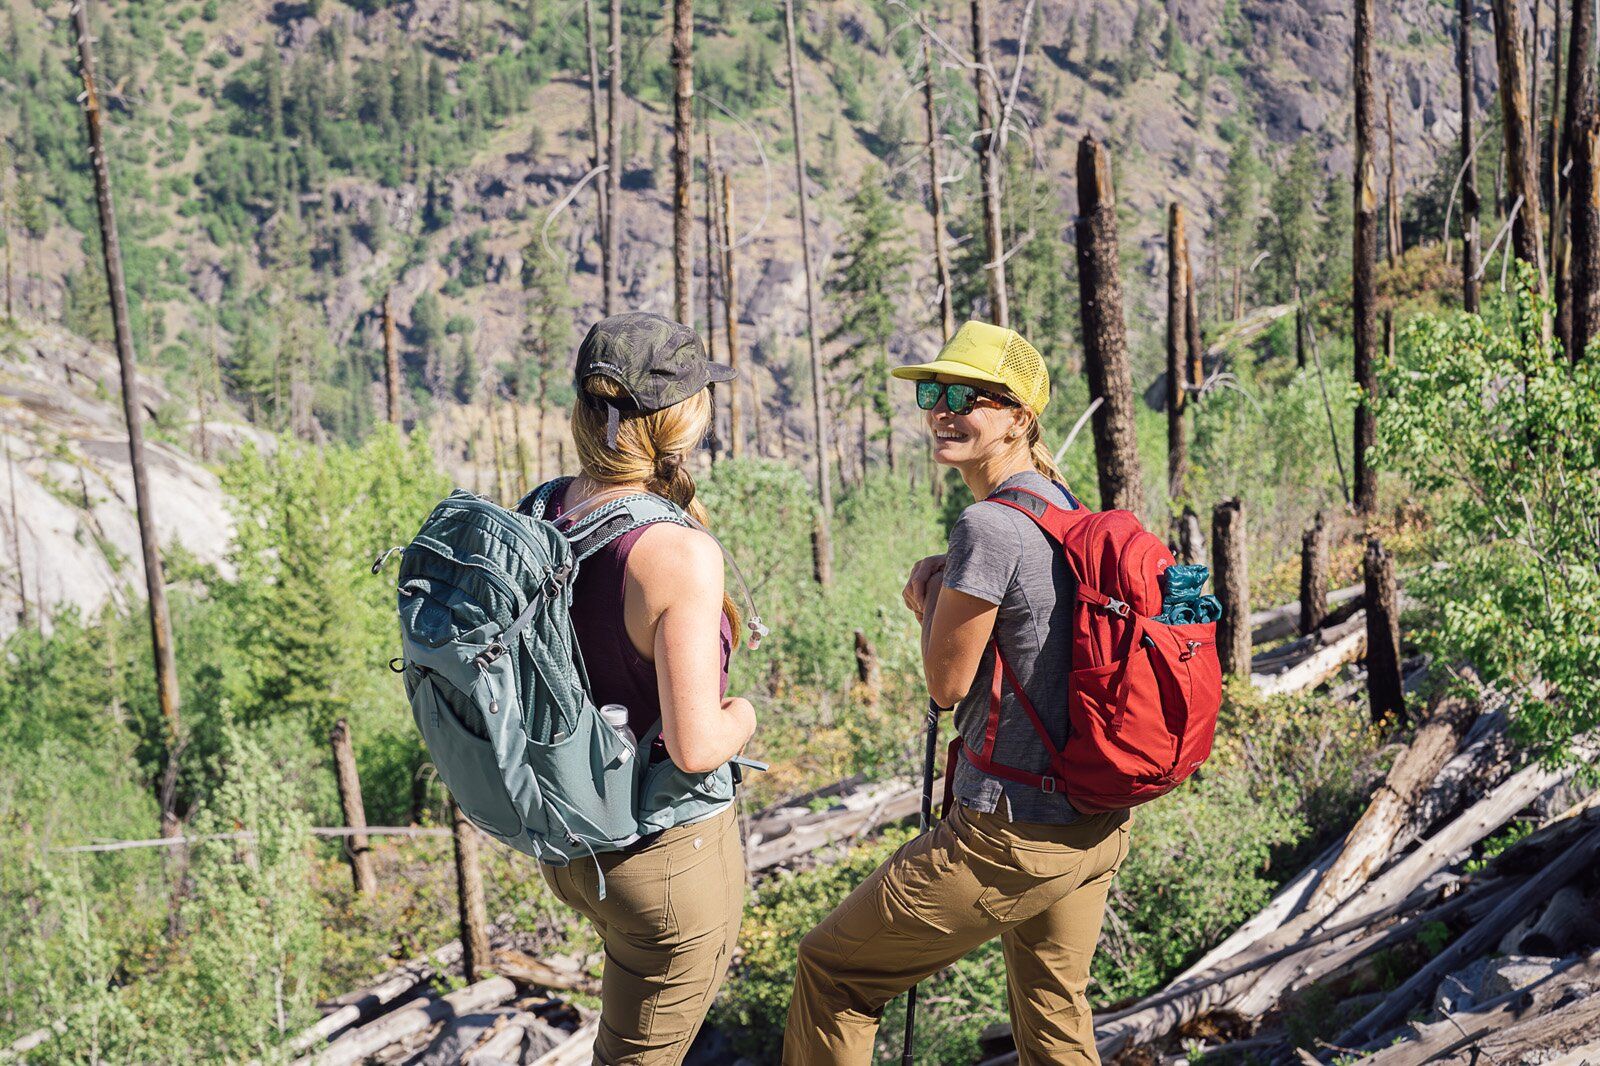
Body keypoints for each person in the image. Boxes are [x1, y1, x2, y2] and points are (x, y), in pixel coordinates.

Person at [783, 321, 1131, 1066]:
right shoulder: (1062, 506)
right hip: (1092, 825)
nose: (943, 409)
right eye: (934, 393)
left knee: (833, 972)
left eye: (968, 397)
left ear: (1019, 417)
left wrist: (929, 601)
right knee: (1055, 1020)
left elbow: (946, 685)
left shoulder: (987, 525)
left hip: (1010, 834)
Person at [535, 312, 758, 1066]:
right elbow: (696, 746)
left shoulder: (546, 508)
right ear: (684, 420)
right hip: (663, 857)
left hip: (572, 845)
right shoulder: (674, 552)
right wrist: (745, 714)